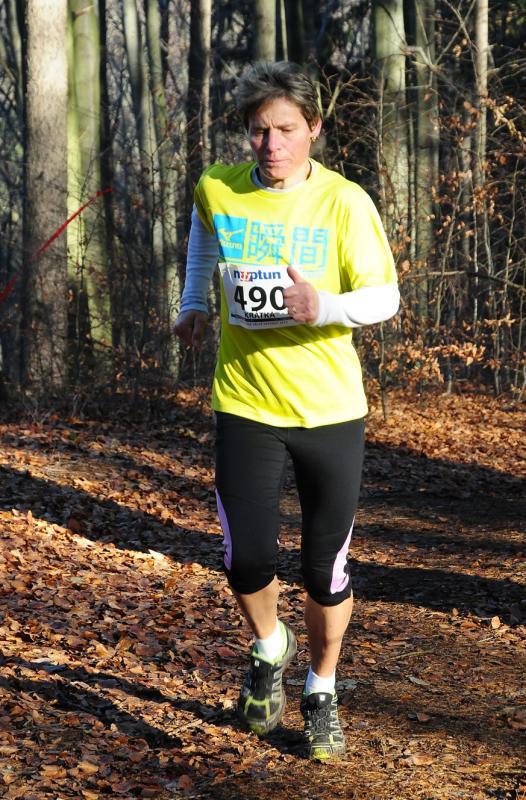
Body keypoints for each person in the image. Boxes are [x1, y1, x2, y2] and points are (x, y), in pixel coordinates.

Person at [174, 61, 399, 761]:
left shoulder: (344, 202)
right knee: (246, 558)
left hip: (330, 409)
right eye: (258, 131)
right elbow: (203, 230)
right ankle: (270, 645)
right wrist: (193, 301)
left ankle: (321, 687)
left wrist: (322, 305)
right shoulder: (219, 186)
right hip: (246, 400)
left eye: (286, 130)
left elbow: (385, 297)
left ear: (314, 129)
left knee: (325, 570)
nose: (271, 145)